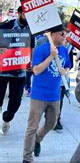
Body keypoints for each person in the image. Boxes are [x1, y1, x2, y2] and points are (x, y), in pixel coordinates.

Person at [23, 25, 70, 161]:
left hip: (55, 95)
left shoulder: (64, 50)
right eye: (62, 34)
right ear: (54, 34)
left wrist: (65, 71)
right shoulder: (41, 50)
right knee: (32, 127)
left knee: (52, 123)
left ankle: (37, 139)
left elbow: (67, 66)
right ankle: (26, 158)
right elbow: (36, 70)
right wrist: (51, 56)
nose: (64, 37)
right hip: (39, 95)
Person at [0, 5, 34, 135]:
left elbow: (31, 47)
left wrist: (31, 62)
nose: (28, 17)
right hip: (2, 70)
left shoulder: (31, 30)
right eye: (26, 14)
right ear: (19, 13)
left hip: (20, 72)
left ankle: (7, 119)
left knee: (16, 102)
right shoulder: (4, 26)